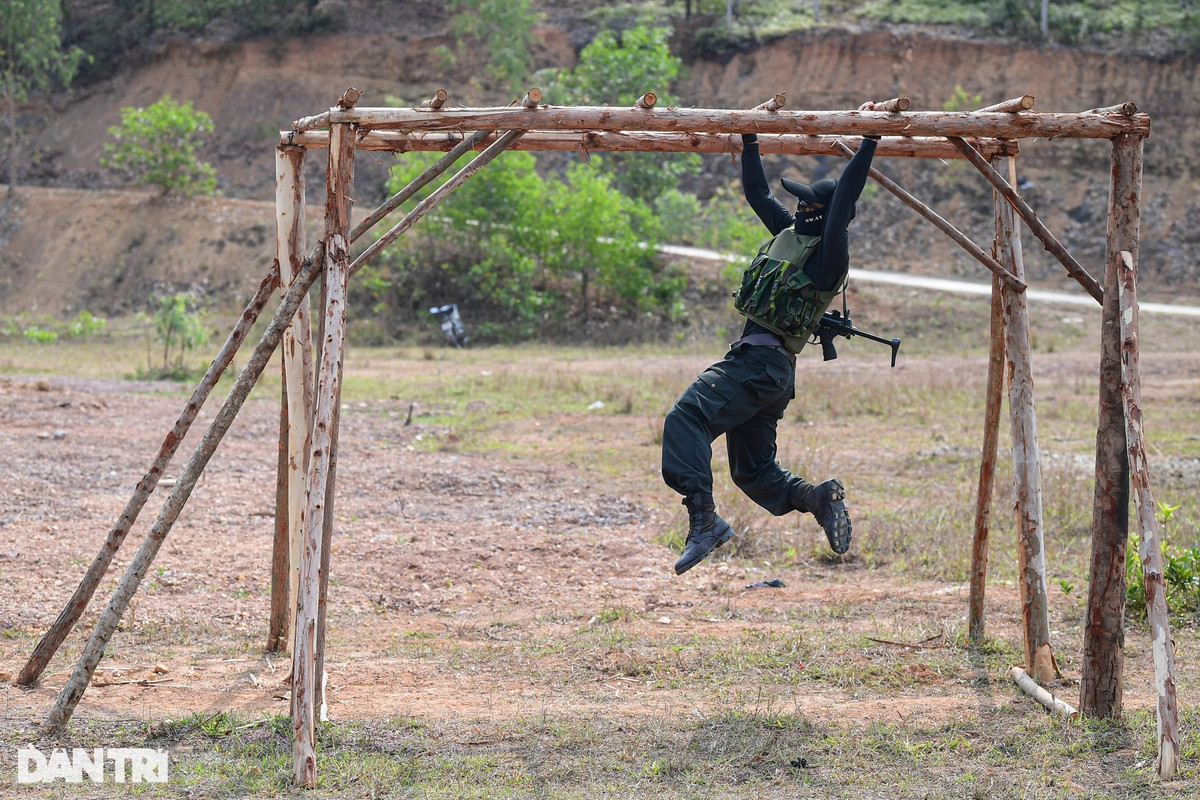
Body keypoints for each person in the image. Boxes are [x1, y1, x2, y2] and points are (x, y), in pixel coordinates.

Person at [662, 132, 879, 575]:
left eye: (808, 208)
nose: (798, 211)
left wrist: (870, 141)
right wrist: (750, 140)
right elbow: (758, 193)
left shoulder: (828, 257)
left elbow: (842, 207)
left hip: (757, 367)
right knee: (752, 470)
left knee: (686, 418)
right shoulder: (788, 235)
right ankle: (815, 498)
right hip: (769, 374)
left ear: (825, 217)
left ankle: (704, 523)